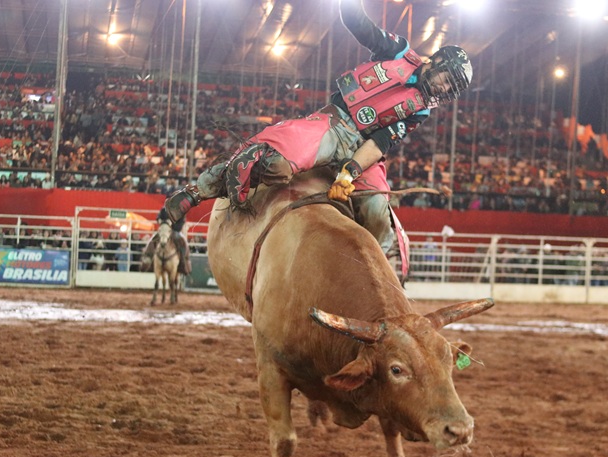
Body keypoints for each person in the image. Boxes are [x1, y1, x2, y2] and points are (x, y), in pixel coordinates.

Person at [164, 0, 473, 267]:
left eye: (451, 89)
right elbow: (360, 26)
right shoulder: (398, 51)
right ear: (437, 61)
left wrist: (349, 173)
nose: (445, 89)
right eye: (448, 80)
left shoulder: (421, 109)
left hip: (363, 153)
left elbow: (381, 142)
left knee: (380, 217)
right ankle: (197, 191)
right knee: (273, 162)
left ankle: (379, 280)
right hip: (333, 123)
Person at [141, 207, 192, 275]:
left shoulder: (180, 210)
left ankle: (184, 262)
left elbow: (181, 222)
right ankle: (148, 258)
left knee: (183, 242)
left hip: (175, 230)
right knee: (153, 239)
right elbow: (159, 216)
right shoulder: (164, 209)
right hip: (164, 229)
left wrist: (172, 225)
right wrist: (160, 220)